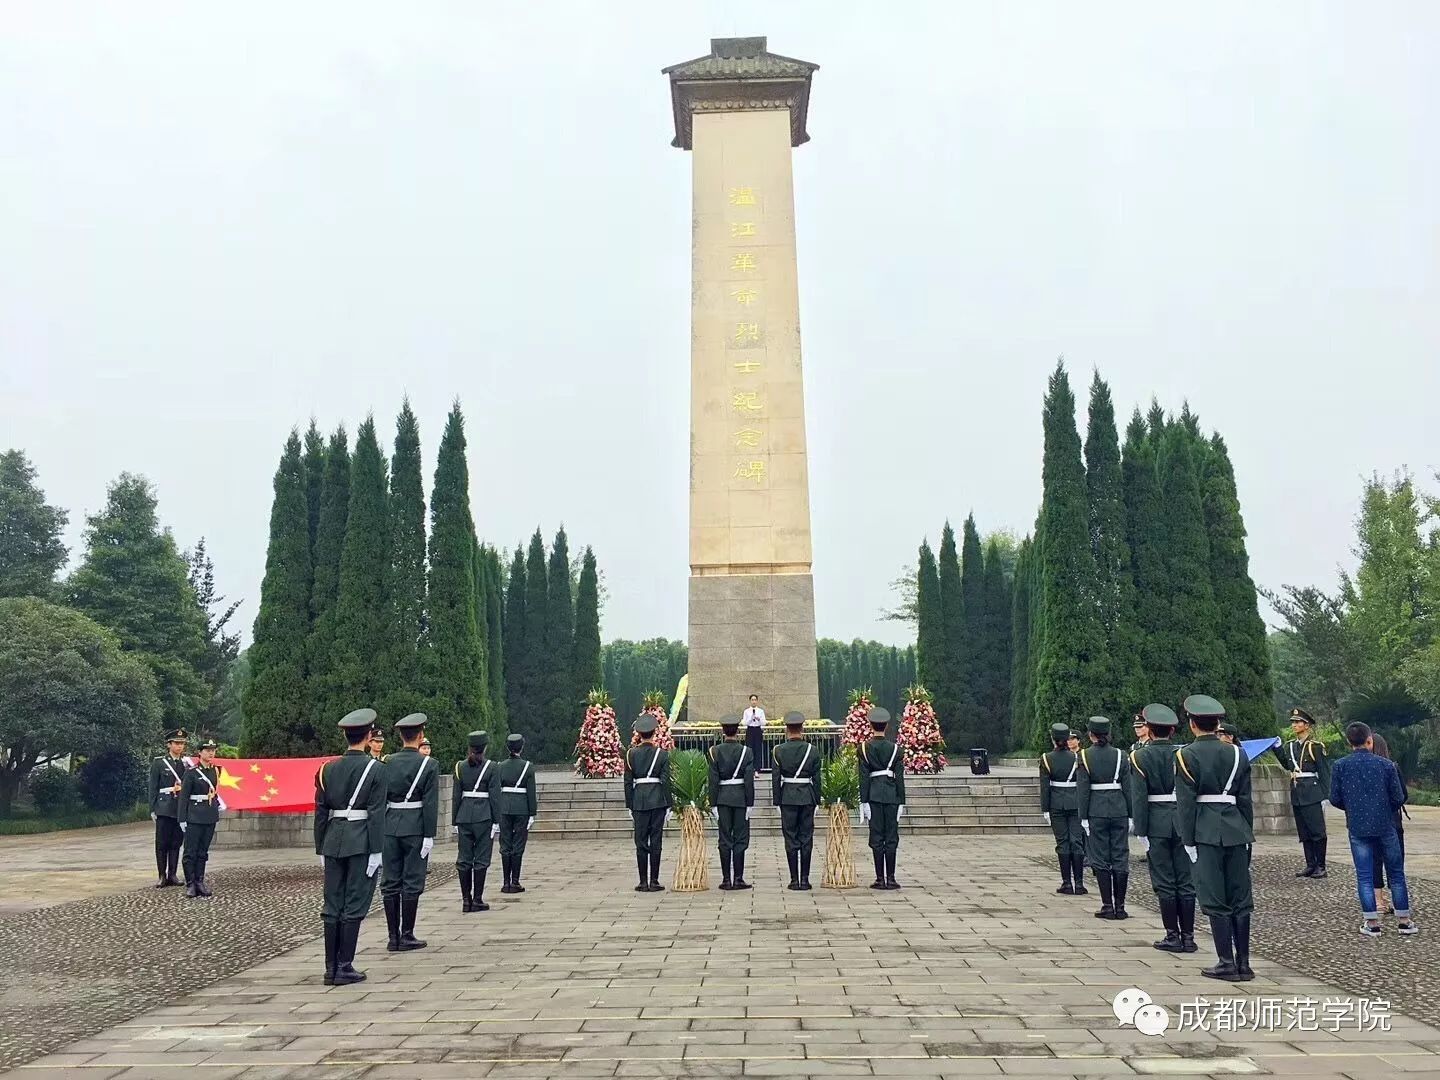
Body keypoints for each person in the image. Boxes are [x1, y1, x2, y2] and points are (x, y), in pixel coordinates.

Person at [1175, 694, 1255, 982]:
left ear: (1193, 725)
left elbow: (1186, 803)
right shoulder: (1237, 753)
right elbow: (1245, 799)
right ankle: (1244, 963)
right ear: (1217, 723)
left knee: (1214, 895)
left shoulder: (1185, 755)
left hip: (1206, 830)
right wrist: (1247, 831)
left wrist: (1188, 840)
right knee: (1240, 896)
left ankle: (1225, 961)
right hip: (1237, 829)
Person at [314, 708, 386, 986]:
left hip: (333, 840)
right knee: (354, 902)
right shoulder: (376, 769)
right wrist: (377, 850)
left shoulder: (326, 769)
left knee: (332, 903)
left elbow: (321, 812)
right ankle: (344, 965)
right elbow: (377, 812)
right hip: (360, 841)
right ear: (368, 737)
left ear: (345, 735)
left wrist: (320, 846)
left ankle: (330, 967)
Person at [1329, 722, 1417, 937]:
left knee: (1365, 875)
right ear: (1369, 740)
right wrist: (1384, 809)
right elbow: (1399, 797)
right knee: (1396, 873)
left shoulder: (1340, 766)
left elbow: (1335, 798)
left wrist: (1354, 809)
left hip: (1358, 827)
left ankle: (1372, 923)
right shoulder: (1386, 765)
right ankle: (1404, 921)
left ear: (1349, 742)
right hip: (1386, 825)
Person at [1130, 704, 1196, 952]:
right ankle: (1188, 936)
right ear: (1171, 730)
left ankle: (1172, 935)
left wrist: (1141, 829)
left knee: (1165, 880)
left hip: (1156, 823)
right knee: (1186, 879)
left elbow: (1139, 798)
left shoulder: (1139, 756)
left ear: (1150, 729)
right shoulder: (1184, 754)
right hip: (1181, 820)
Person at [380, 713, 438, 952]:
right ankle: (407, 933)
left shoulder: (386, 762)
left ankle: (392, 937)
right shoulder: (429, 764)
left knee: (390, 881)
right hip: (415, 826)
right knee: (412, 881)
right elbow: (430, 802)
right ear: (421, 735)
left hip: (390, 825)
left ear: (401, 736)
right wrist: (429, 834)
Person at [1077, 716, 1132, 919]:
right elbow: (1128, 787)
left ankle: (1107, 905)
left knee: (1099, 857)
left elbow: (1083, 789)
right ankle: (1121, 906)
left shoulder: (1084, 756)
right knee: (1120, 856)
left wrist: (1083, 816)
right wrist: (1131, 813)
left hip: (1096, 810)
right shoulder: (1121, 755)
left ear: (1091, 735)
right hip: (1119, 809)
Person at [1270, 707, 1332, 878]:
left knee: (1317, 831)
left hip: (1312, 793)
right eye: (1293, 722)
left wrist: (1324, 797)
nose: (1294, 725)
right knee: (1304, 832)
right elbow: (1287, 765)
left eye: (1298, 722)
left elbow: (1324, 773)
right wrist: (1277, 748)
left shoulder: (1315, 747)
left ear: (1307, 725)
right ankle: (1310, 864)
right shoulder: (1290, 746)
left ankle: (1321, 865)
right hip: (1297, 793)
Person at [772, 710, 821, 890]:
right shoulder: (813, 750)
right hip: (807, 796)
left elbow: (776, 778)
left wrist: (777, 801)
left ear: (787, 729)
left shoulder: (778, 750)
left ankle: (794, 879)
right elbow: (817, 778)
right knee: (806, 838)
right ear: (802, 728)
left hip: (788, 797)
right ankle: (805, 879)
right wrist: (817, 800)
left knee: (790, 837)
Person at [452, 730, 499, 912]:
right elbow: (495, 797)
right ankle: (477, 899)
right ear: (485, 747)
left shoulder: (459, 767)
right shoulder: (492, 767)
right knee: (481, 858)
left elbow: (456, 797)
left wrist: (455, 820)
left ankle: (466, 900)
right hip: (483, 815)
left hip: (464, 815)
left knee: (464, 858)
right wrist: (496, 820)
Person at [859, 707, 905, 889]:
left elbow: (863, 777)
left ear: (871, 725)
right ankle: (891, 878)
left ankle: (879, 878)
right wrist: (902, 800)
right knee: (891, 837)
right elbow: (899, 778)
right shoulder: (896, 749)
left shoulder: (864, 748)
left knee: (877, 837)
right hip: (892, 796)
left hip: (874, 796)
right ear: (886, 726)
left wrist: (864, 801)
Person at [625, 714, 672, 891]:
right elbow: (666, 781)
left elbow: (628, 782)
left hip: (639, 801)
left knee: (641, 842)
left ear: (639, 734)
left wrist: (630, 804)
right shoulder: (662, 754)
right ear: (654, 733)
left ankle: (643, 881)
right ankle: (654, 880)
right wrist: (669, 803)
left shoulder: (631, 754)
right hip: (658, 800)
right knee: (656, 841)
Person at [708, 714, 755, 890]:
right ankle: (739, 878)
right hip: (741, 798)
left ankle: (726, 879)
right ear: (738, 731)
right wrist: (750, 803)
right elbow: (749, 780)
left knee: (725, 838)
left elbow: (713, 780)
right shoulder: (747, 751)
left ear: (723, 731)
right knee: (741, 839)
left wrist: (713, 803)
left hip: (723, 799)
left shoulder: (714, 751)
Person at [1039, 722, 1086, 895]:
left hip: (1057, 803)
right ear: (1067, 739)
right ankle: (1079, 883)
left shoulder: (1046, 758)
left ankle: (1067, 882)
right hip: (1075, 802)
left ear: (1053, 739)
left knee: (1063, 842)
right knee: (1077, 841)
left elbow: (1045, 786)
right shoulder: (1077, 757)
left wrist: (1045, 808)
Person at [177, 739, 224, 898]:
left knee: (203, 851)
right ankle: (190, 884)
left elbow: (215, 792)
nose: (211, 753)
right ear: (200, 752)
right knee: (190, 851)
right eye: (207, 750)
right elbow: (183, 798)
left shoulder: (215, 771)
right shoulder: (191, 773)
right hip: (194, 815)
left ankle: (199, 881)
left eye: (213, 750)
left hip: (209, 814)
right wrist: (182, 819)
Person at [1368, 731, 1407, 915]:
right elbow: (1402, 795)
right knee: (1396, 863)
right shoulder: (1391, 767)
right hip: (1392, 821)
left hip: (1369, 822)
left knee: (1374, 861)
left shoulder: (1363, 770)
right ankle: (1399, 903)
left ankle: (1378, 901)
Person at [148, 729, 190, 888]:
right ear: (169, 744)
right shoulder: (159, 763)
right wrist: (152, 809)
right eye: (177, 743)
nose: (180, 746)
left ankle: (173, 874)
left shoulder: (186, 764)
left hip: (179, 807)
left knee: (176, 842)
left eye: (182, 744)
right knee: (161, 843)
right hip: (164, 807)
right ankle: (161, 875)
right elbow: (153, 787)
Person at [496, 733, 537, 894]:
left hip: (504, 807)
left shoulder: (500, 766)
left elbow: (496, 789)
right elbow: (531, 792)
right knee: (518, 844)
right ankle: (515, 881)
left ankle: (505, 882)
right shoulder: (528, 766)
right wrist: (532, 812)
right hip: (521, 808)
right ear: (522, 747)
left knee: (505, 844)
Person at [743, 694, 767, 773]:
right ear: (750, 701)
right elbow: (744, 723)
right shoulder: (746, 711)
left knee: (758, 749)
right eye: (752, 700)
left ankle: (757, 769)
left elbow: (764, 722)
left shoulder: (760, 711)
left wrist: (758, 719)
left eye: (755, 700)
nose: (753, 701)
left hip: (757, 730)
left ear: (757, 701)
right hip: (750, 730)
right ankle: (749, 769)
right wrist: (751, 718)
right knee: (749, 749)